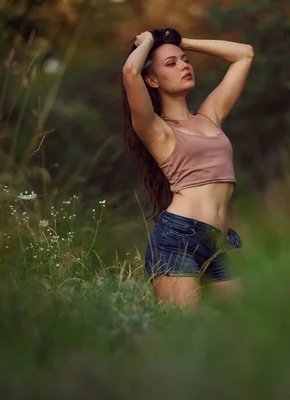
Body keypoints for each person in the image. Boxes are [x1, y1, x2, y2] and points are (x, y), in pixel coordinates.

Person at [121, 28, 254, 310]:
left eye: (185, 60)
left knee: (246, 329)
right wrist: (147, 42)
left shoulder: (210, 116)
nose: (184, 65)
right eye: (171, 63)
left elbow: (244, 55)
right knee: (183, 339)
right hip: (177, 241)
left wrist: (181, 42)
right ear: (152, 80)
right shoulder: (157, 130)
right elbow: (131, 72)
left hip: (217, 243)